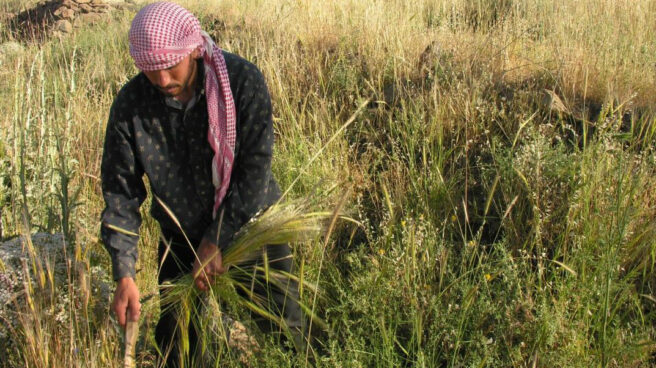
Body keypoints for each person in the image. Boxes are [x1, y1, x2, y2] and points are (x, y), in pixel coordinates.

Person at [99, 2, 302, 366]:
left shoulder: (242, 82)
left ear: (192, 49)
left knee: (286, 330)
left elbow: (253, 171)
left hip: (249, 225)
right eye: (150, 70)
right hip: (180, 240)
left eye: (170, 66)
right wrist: (124, 273)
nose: (162, 81)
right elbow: (120, 194)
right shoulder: (130, 106)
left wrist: (216, 238)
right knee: (181, 348)